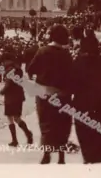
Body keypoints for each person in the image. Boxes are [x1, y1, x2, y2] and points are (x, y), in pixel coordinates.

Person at [27, 24, 74, 164]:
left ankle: (46, 154)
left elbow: (31, 69)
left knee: (46, 123)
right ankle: (61, 156)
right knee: (62, 124)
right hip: (63, 95)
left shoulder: (43, 51)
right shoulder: (67, 54)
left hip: (45, 93)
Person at [71, 35, 101, 164]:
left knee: (85, 137)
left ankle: (87, 161)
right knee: (99, 138)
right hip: (100, 105)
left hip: (82, 104)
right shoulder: (100, 61)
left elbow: (72, 84)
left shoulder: (78, 61)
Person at [0, 57, 33, 147]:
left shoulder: (9, 70)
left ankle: (15, 140)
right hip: (19, 97)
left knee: (10, 118)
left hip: (11, 98)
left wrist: (1, 91)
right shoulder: (18, 69)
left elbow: (8, 84)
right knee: (17, 118)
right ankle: (28, 134)